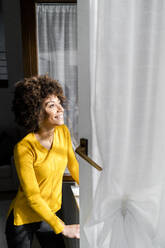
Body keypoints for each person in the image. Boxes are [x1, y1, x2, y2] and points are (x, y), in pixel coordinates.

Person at [5, 75, 80, 248]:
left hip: (50, 214)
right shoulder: (24, 148)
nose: (61, 109)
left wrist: (89, 189)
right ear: (36, 111)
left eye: (59, 102)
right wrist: (62, 228)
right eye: (51, 105)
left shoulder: (63, 132)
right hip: (24, 219)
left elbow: (73, 164)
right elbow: (32, 196)